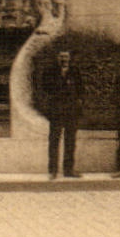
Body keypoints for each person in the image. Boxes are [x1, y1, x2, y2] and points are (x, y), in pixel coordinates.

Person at [40, 50, 84, 179]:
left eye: (66, 56)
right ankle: (53, 170)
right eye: (61, 56)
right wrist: (61, 77)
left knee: (70, 141)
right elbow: (45, 88)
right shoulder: (50, 71)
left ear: (70, 58)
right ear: (57, 57)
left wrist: (79, 102)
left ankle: (68, 170)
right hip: (56, 110)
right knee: (54, 140)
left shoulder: (75, 71)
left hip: (71, 111)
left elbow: (81, 89)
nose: (64, 59)